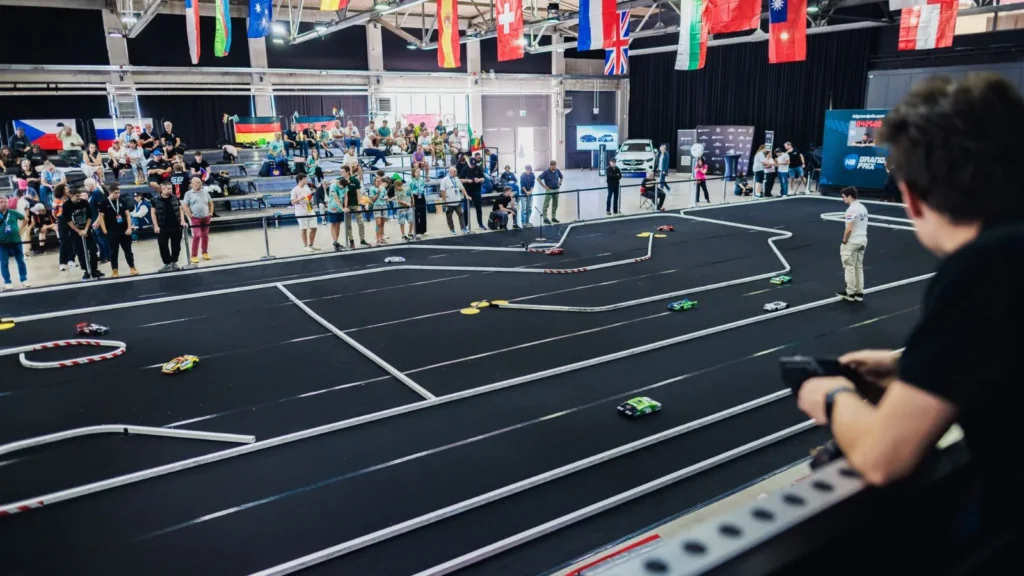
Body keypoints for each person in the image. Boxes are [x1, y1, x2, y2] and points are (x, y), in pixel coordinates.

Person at [797, 75, 1024, 547]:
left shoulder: (986, 267)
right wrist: (909, 365)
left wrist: (831, 396)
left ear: (912, 197)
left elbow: (885, 457)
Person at [96, 184, 137, 277]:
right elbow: (101, 217)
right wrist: (104, 229)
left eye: (119, 192)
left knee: (128, 251)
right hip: (112, 231)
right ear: (110, 192)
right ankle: (114, 270)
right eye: (115, 193)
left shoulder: (122, 200)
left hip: (124, 231)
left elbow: (127, 215)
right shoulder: (104, 202)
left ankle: (132, 267)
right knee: (114, 251)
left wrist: (129, 227)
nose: (118, 194)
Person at [61, 187, 101, 281]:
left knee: (93, 251)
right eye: (77, 196)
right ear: (71, 196)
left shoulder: (84, 202)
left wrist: (86, 230)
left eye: (80, 196)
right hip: (75, 233)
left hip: (87, 230)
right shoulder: (66, 205)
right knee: (81, 253)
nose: (79, 198)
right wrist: (78, 231)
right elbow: (68, 220)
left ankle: (94, 269)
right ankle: (86, 270)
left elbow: (89, 216)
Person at [836, 186, 868, 302]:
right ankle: (859, 292)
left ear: (849, 196)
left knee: (849, 266)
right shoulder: (863, 207)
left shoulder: (851, 209)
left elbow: (849, 228)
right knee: (858, 267)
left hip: (853, 241)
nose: (843, 199)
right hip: (863, 240)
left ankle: (850, 292)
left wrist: (844, 241)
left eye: (844, 197)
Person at [152, 181, 184, 272]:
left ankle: (174, 262)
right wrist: (156, 226)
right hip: (162, 227)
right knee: (163, 246)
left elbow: (180, 209)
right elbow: (153, 213)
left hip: (175, 226)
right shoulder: (155, 199)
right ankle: (167, 264)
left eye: (171, 188)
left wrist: (182, 220)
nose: (171, 190)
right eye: (169, 188)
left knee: (176, 246)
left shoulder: (175, 197)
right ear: (163, 189)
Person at [0, 195, 30, 290]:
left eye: (5, 202)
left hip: (16, 241)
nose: (4, 204)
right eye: (1, 202)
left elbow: (26, 219)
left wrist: (21, 229)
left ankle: (24, 279)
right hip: (2, 243)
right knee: (4, 263)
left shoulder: (13, 212)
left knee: (21, 261)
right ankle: (7, 282)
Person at [182, 177, 213, 264]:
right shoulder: (188, 194)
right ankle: (194, 255)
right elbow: (184, 205)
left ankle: (205, 252)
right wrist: (190, 215)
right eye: (195, 183)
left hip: (206, 217)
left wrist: (210, 213)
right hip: (195, 218)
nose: (198, 184)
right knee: (197, 236)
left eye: (199, 182)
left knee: (205, 236)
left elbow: (210, 203)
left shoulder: (205, 193)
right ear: (191, 184)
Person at [340, 166, 369, 249]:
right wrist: (344, 207)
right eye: (340, 171)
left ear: (347, 172)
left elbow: (358, 193)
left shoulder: (354, 180)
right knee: (348, 224)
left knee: (361, 223)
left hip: (355, 205)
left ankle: (362, 240)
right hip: (346, 206)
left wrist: (360, 205)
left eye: (342, 171)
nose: (341, 173)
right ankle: (351, 241)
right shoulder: (340, 180)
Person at [290, 174, 320, 252]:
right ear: (300, 180)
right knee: (303, 229)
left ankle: (311, 244)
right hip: (300, 211)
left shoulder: (307, 188)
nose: (306, 180)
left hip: (309, 210)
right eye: (304, 179)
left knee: (314, 227)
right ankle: (305, 245)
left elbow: (310, 198)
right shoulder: (295, 190)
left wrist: (311, 199)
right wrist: (299, 199)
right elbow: (293, 202)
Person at [440, 165, 468, 235]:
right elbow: (442, 191)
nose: (456, 173)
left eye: (456, 171)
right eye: (454, 171)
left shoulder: (457, 179)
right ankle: (452, 229)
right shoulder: (444, 180)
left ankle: (463, 228)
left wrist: (466, 195)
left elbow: (462, 188)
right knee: (449, 217)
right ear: (450, 172)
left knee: (461, 214)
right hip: (449, 202)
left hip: (457, 202)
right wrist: (445, 200)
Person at [460, 158, 486, 231]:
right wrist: (467, 180)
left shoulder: (478, 168)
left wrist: (479, 180)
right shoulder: (465, 169)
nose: (473, 166)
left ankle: (480, 224)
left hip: (477, 190)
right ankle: (465, 225)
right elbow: (460, 180)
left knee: (479, 208)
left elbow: (483, 178)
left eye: (474, 165)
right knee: (466, 209)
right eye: (471, 164)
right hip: (468, 191)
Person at [537, 161, 563, 225]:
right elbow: (538, 178)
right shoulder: (546, 172)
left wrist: (560, 183)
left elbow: (561, 177)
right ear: (550, 165)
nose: (554, 167)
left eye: (555, 165)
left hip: (556, 190)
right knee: (546, 205)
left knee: (555, 204)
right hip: (549, 190)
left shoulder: (557, 171)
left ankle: (553, 217)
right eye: (553, 166)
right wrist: (544, 186)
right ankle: (545, 218)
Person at [327, 176, 346, 250]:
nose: (341, 187)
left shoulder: (343, 185)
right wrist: (342, 208)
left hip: (340, 208)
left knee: (338, 225)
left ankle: (336, 241)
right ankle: (335, 241)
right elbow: (335, 197)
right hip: (333, 207)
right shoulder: (333, 186)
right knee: (334, 224)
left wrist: (343, 207)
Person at [369, 175, 389, 245]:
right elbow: (373, 200)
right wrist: (378, 193)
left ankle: (381, 238)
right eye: (377, 181)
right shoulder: (372, 189)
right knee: (378, 223)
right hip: (377, 206)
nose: (379, 182)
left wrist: (386, 198)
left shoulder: (383, 188)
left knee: (382, 223)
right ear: (374, 182)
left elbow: (386, 196)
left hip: (384, 205)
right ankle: (377, 239)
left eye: (380, 181)